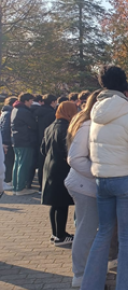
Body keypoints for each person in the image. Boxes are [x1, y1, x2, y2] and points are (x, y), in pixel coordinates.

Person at [79, 66, 128, 290]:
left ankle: (89, 288)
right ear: (126, 88)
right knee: (125, 236)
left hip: (103, 179)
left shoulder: (95, 115)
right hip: (125, 179)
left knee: (103, 232)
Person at [65, 90, 101, 287]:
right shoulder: (88, 125)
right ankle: (79, 273)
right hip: (84, 185)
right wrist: (98, 173)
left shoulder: (85, 121)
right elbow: (75, 158)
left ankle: (83, 269)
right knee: (85, 229)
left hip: (83, 184)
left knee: (85, 227)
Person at [41, 102, 77, 247]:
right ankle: (61, 236)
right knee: (62, 203)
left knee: (54, 204)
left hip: (49, 166)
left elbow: (43, 149)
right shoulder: (65, 129)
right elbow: (67, 151)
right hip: (61, 168)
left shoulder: (50, 127)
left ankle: (56, 233)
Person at [11, 93, 38, 196]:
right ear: (26, 101)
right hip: (25, 140)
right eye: (31, 100)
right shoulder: (24, 111)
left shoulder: (15, 109)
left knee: (17, 163)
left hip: (17, 140)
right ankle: (21, 188)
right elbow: (33, 125)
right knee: (23, 164)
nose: (32, 103)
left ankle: (16, 187)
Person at [34, 95, 57, 193]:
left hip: (38, 140)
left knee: (41, 165)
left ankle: (40, 187)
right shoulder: (52, 114)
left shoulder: (36, 113)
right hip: (49, 141)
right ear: (52, 102)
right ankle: (46, 187)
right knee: (48, 166)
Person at [1, 97, 17, 189]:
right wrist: (5, 143)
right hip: (7, 141)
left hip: (5, 141)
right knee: (8, 161)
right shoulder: (8, 114)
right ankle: (7, 181)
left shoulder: (4, 113)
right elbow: (5, 129)